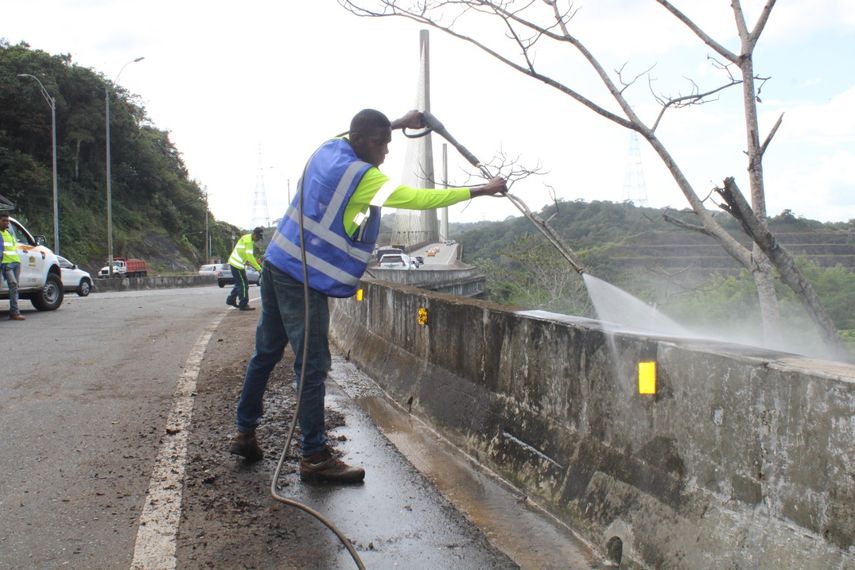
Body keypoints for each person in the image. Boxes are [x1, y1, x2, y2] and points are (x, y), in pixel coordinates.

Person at [229, 109, 507, 483]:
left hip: (278, 264)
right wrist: (481, 190)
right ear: (361, 141)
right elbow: (418, 199)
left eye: (388, 143)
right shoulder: (363, 178)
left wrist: (396, 123)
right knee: (311, 366)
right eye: (381, 144)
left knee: (265, 353)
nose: (386, 152)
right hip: (302, 277)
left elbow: (355, 131)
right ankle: (313, 456)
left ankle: (244, 431)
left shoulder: (328, 149)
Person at [226, 227, 264, 311]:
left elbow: (243, 253)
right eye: (257, 237)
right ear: (254, 234)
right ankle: (243, 304)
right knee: (243, 285)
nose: (257, 239)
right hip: (237, 265)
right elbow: (250, 257)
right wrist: (259, 269)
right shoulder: (249, 241)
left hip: (236, 264)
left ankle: (230, 300)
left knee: (241, 283)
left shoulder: (246, 237)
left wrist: (247, 262)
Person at [0, 213, 24, 321]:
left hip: (16, 263)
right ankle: (15, 312)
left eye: (7, 221)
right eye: (4, 220)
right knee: (13, 285)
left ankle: (14, 312)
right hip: (6, 264)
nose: (6, 223)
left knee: (15, 288)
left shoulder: (9, 233)